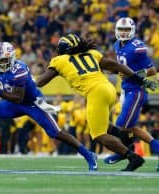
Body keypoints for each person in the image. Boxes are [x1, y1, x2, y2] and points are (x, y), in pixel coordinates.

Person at [35, 33, 156, 171]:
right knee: (104, 126)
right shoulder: (92, 53)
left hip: (95, 93)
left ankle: (132, 157)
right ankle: (124, 138)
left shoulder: (59, 60)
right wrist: (137, 78)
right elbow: (115, 65)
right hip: (109, 89)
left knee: (98, 135)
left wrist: (30, 80)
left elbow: (40, 82)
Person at [0, 42, 98, 171]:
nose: (2, 63)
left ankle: (88, 155)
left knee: (56, 133)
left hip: (33, 103)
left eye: (5, 60)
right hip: (15, 102)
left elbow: (18, 98)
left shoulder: (20, 69)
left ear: (12, 58)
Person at [103, 17, 159, 166]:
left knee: (121, 126)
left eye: (126, 30)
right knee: (131, 128)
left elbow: (152, 70)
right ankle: (155, 148)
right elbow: (124, 65)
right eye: (121, 29)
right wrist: (122, 72)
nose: (123, 33)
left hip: (136, 90)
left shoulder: (137, 47)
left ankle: (123, 152)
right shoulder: (116, 44)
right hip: (126, 89)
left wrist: (135, 74)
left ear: (132, 31)